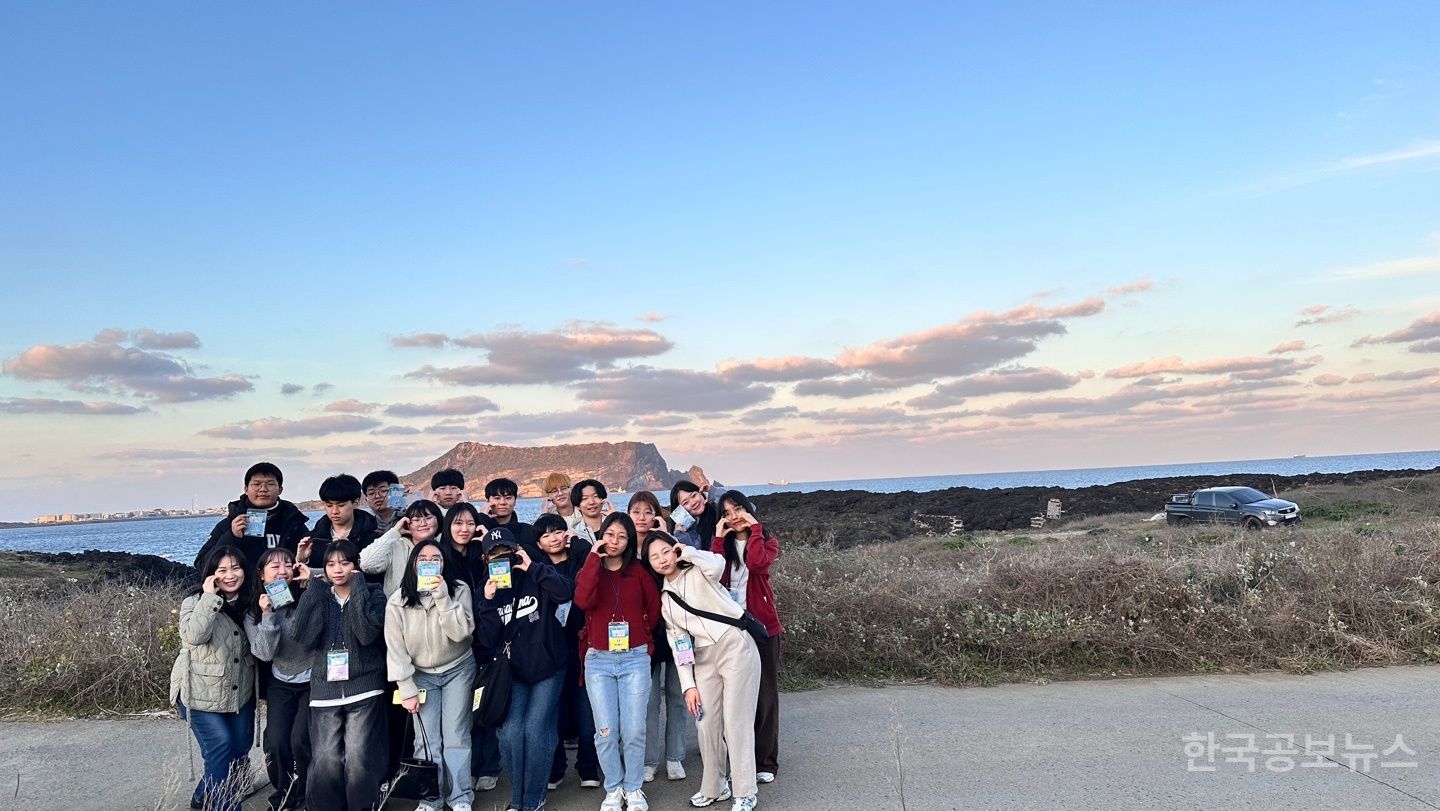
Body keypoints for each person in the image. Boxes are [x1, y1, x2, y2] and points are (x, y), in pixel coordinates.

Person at [644, 532, 761, 811]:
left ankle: (745, 791)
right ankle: (715, 786)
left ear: (675, 550)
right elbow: (679, 645)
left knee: (736, 722)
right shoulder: (666, 599)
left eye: (666, 551)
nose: (662, 559)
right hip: (703, 657)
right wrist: (688, 686)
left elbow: (718, 564)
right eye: (654, 556)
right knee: (705, 722)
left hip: (735, 644)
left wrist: (689, 551)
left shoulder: (699, 570)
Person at [475, 526, 575, 811]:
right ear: (485, 560)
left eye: (506, 551)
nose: (501, 558)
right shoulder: (484, 589)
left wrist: (533, 568)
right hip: (512, 672)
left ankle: (534, 798)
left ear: (516, 550)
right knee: (510, 732)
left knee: (535, 728)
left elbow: (566, 593)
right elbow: (487, 639)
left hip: (549, 665)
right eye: (493, 555)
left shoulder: (537, 572)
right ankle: (518, 798)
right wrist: (487, 602)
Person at [288, 540, 389, 811]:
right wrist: (315, 588)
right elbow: (303, 637)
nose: (338, 569)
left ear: (356, 566)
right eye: (331, 564)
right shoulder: (320, 594)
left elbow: (367, 634)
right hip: (324, 692)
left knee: (358, 757)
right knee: (326, 759)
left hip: (365, 688)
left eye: (345, 563)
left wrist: (357, 590)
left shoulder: (374, 592)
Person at [574, 514, 660, 811]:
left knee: (634, 729)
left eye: (621, 537)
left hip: (635, 658)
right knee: (606, 731)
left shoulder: (638, 573)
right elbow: (583, 600)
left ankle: (634, 787)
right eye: (609, 534)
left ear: (629, 542)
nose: (614, 542)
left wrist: (642, 635)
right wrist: (592, 561)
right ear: (601, 535)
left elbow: (655, 608)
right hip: (598, 660)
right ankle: (613, 787)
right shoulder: (592, 568)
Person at [385, 540, 477, 811]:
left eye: (435, 557)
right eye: (422, 558)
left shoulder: (459, 589)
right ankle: (430, 797)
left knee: (457, 735)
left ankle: (460, 797)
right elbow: (396, 648)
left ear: (443, 563)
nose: (428, 562)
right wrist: (406, 688)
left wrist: (443, 598)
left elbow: (461, 634)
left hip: (457, 668)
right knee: (425, 739)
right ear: (413, 564)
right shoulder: (398, 599)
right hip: (420, 674)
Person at [169, 545, 258, 811]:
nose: (230, 575)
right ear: (210, 574)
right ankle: (225, 806)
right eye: (222, 570)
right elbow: (193, 637)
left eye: (235, 568)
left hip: (238, 692)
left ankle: (202, 795)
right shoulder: (194, 602)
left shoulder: (253, 602)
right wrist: (209, 598)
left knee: (240, 747)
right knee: (220, 746)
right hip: (199, 693)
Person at [712, 491, 783, 785]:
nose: (733, 516)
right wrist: (718, 538)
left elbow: (756, 564)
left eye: (737, 508)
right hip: (731, 628)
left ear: (748, 508)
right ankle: (741, 759)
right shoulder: (724, 547)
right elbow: (711, 574)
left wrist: (754, 529)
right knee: (736, 697)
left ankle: (766, 760)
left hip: (762, 626)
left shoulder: (767, 541)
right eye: (726, 512)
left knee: (765, 696)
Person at [533, 514, 600, 792]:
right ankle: (556, 767)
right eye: (547, 535)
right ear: (538, 543)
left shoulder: (579, 560)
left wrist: (580, 544)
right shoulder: (537, 569)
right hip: (552, 651)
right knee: (555, 715)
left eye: (559, 531)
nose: (554, 538)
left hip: (583, 647)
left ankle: (587, 766)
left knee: (587, 715)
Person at [440, 501, 502, 793]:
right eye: (457, 523)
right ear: (447, 526)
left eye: (469, 523)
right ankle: (467, 770)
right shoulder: (441, 558)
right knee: (463, 710)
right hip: (455, 642)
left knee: (486, 702)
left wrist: (487, 539)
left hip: (487, 638)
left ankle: (488, 765)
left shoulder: (483, 554)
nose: (464, 530)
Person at [245, 547, 312, 811]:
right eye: (274, 566)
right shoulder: (254, 611)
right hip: (281, 682)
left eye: (287, 564)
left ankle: (308, 795)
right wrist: (268, 614)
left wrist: (310, 586)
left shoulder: (308, 596)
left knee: (301, 739)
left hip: (312, 680)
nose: (282, 570)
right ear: (262, 575)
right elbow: (263, 652)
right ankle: (285, 794)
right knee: (276, 742)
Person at [629, 491, 688, 784]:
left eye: (648, 511)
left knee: (679, 696)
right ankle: (650, 759)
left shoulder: (670, 548)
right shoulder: (627, 553)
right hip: (645, 638)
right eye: (636, 511)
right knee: (648, 702)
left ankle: (675, 756)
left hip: (679, 634)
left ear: (657, 514)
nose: (642, 517)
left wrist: (667, 537)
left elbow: (692, 564)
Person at [195, 462, 309, 568]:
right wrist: (231, 537)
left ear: (280, 489)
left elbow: (314, 562)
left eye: (270, 484)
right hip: (243, 588)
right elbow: (201, 564)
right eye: (256, 484)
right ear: (246, 489)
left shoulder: (293, 523)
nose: (263, 489)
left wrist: (303, 560)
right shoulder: (230, 524)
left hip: (283, 587)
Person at [361, 499, 446, 597]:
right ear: (407, 524)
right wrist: (395, 531)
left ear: (438, 520)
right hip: (398, 609)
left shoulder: (444, 546)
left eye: (428, 518)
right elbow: (366, 564)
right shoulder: (395, 546)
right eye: (416, 520)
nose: (423, 523)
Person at [302, 474, 381, 569]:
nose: (334, 511)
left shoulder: (372, 539)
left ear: (355, 503)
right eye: (329, 505)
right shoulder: (313, 539)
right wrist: (302, 560)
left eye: (341, 505)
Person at [667, 477, 726, 551]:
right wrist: (681, 535)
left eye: (694, 495)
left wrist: (713, 491)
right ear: (679, 510)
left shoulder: (716, 509)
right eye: (686, 503)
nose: (693, 503)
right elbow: (695, 554)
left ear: (700, 493)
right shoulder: (687, 532)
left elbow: (732, 501)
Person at [486, 477, 537, 551]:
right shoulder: (478, 530)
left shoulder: (529, 531)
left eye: (508, 498)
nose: (503, 502)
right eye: (497, 498)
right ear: (487, 501)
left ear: (515, 500)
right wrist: (482, 518)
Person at [569, 479, 611, 544]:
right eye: (585, 498)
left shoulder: (614, 524)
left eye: (595, 496)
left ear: (603, 499)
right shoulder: (574, 533)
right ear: (577, 506)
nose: (591, 502)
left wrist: (615, 517)